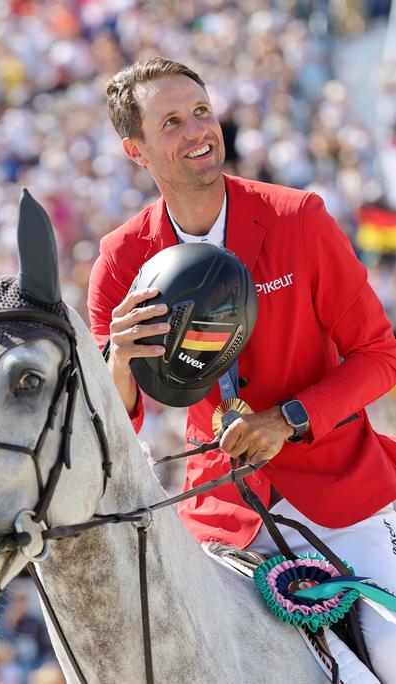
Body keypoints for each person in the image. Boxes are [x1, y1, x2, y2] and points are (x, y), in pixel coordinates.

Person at [87, 56, 396, 681]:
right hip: (222, 517)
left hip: (342, 491)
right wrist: (116, 359)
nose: (198, 129)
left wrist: (290, 417)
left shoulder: (298, 218)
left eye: (201, 111)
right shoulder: (119, 262)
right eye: (171, 121)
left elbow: (380, 356)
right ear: (135, 150)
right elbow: (113, 428)